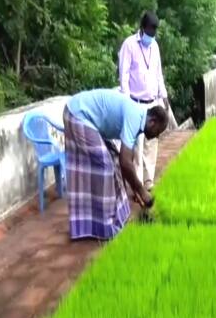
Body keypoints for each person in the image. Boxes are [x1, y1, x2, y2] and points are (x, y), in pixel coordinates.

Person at [63, 89, 169, 240]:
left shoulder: (138, 119)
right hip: (77, 114)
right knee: (106, 167)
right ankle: (105, 226)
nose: (157, 136)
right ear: (152, 122)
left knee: (114, 162)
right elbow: (125, 161)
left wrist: (136, 190)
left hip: (88, 119)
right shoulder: (134, 116)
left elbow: (126, 161)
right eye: (158, 131)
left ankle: (117, 218)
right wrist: (142, 190)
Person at [118, 11, 168, 190]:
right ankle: (137, 184)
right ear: (142, 28)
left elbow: (158, 74)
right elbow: (123, 75)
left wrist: (164, 97)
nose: (151, 37)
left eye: (154, 33)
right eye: (149, 32)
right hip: (135, 104)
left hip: (153, 102)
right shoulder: (129, 45)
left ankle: (149, 181)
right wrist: (126, 103)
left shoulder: (155, 47)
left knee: (151, 143)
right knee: (137, 148)